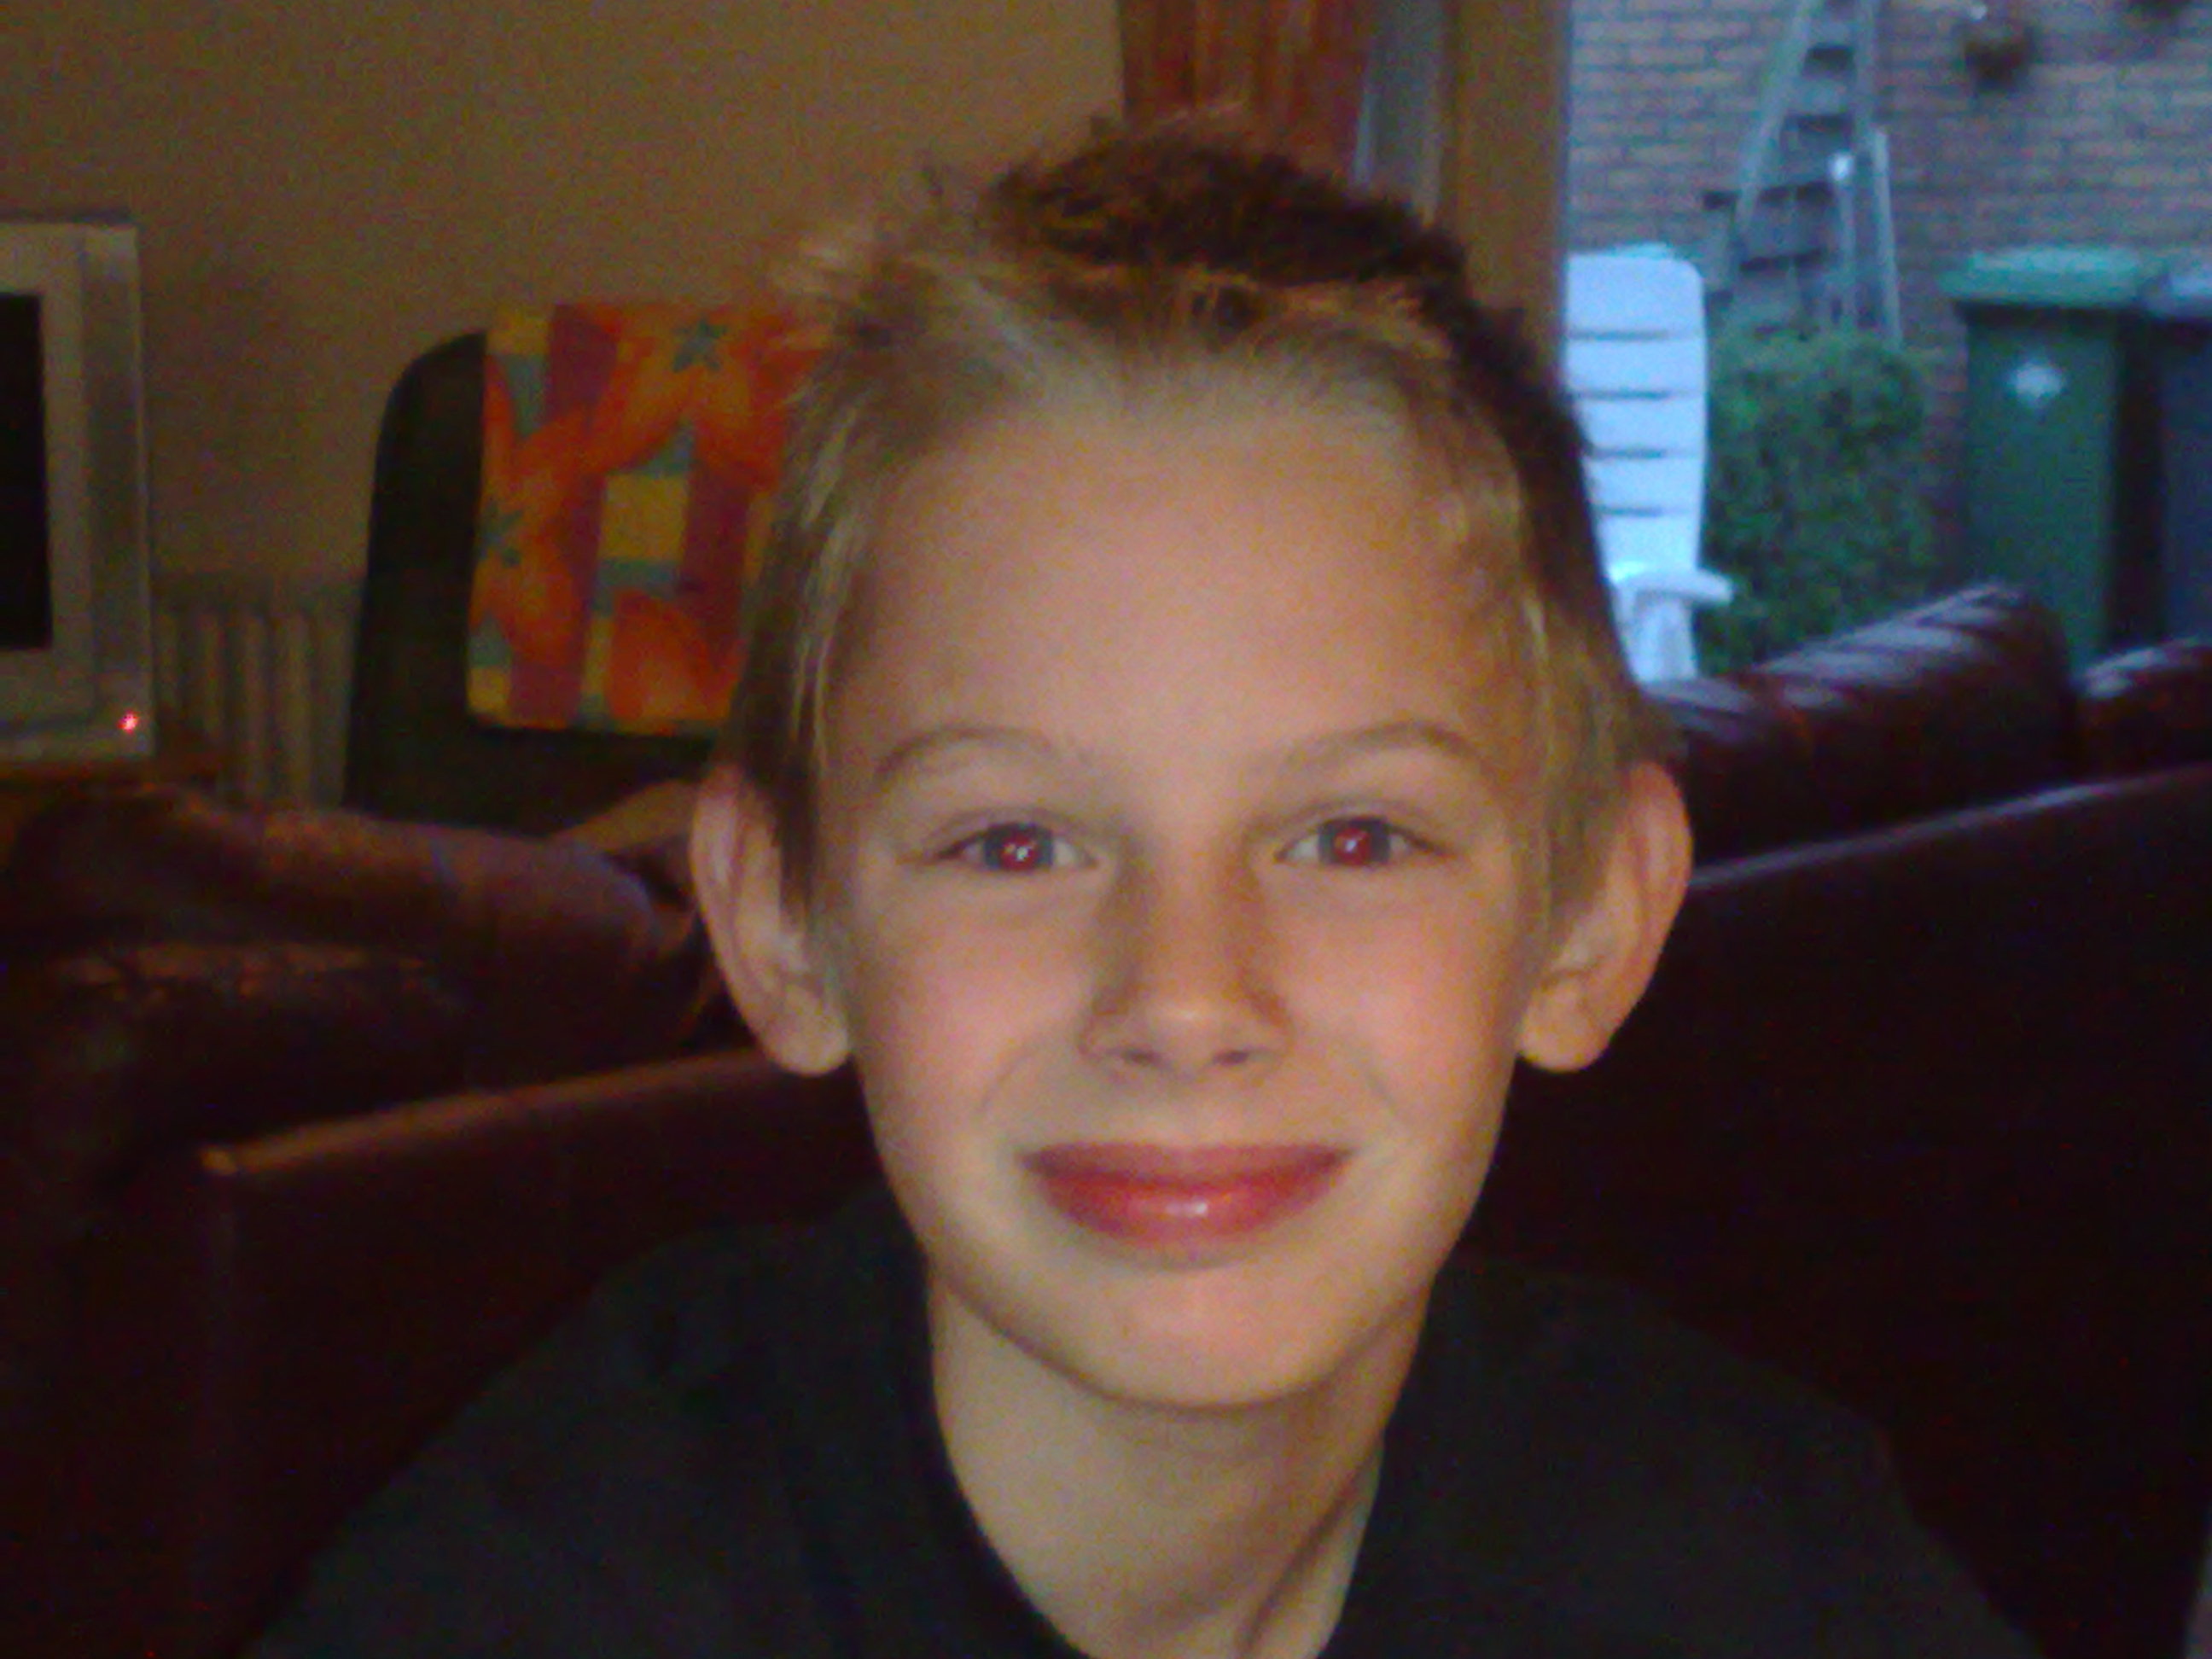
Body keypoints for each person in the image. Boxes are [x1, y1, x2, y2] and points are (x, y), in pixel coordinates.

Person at [251, 125, 2036, 1657]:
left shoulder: (1752, 1553)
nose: (1185, 1001)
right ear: (783, 920)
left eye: (1354, 838)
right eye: (1014, 844)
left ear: (1591, 916)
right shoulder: (538, 1597)